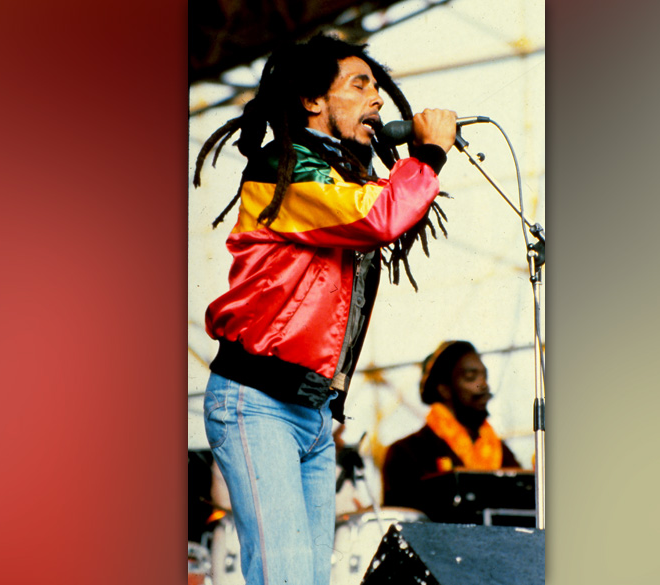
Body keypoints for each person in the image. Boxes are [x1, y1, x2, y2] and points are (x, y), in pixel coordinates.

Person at [192, 32, 457, 585]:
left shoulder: (343, 175)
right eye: (359, 85)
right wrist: (429, 155)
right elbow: (381, 215)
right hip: (258, 402)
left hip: (312, 413)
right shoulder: (284, 169)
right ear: (313, 100)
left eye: (377, 87)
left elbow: (384, 207)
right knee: (287, 577)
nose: (376, 98)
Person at [382, 340, 521, 516]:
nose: (483, 385)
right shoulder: (406, 454)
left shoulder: (503, 454)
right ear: (444, 390)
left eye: (484, 376)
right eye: (471, 377)